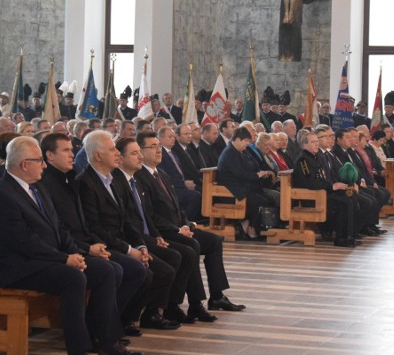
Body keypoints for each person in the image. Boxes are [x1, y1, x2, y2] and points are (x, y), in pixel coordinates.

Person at [0, 136, 141, 355]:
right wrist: (64, 259)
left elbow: (59, 230)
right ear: (24, 164)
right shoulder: (3, 195)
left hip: (47, 260)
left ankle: (107, 342)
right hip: (22, 267)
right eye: (39, 161)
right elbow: (24, 243)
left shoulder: (36, 188)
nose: (44, 166)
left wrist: (76, 252)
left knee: (104, 269)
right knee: (73, 277)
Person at [38, 132, 150, 343]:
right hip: (68, 250)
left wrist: (138, 245)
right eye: (66, 150)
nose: (73, 154)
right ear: (49, 156)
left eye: (72, 150)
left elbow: (87, 224)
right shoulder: (53, 184)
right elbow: (59, 229)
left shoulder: (67, 179)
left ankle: (103, 328)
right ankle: (101, 331)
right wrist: (87, 248)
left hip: (85, 243)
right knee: (115, 269)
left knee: (135, 269)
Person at [76, 131, 180, 332]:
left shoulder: (112, 180)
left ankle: (121, 321)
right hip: (105, 244)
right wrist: (128, 249)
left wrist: (139, 245)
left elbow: (128, 218)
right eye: (112, 149)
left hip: (123, 242)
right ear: (98, 155)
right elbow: (94, 227)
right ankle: (108, 326)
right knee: (140, 271)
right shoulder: (85, 183)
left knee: (162, 271)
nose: (117, 153)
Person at [135, 131, 244, 317]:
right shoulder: (139, 177)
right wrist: (178, 229)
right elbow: (150, 215)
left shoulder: (161, 173)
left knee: (214, 241)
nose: (158, 150)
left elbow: (176, 207)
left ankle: (217, 296)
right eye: (152, 147)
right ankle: (193, 303)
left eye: (159, 146)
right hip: (163, 232)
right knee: (191, 246)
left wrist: (188, 224)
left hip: (179, 227)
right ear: (141, 151)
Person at [292, 131, 360, 247]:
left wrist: (336, 185)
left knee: (350, 196)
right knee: (345, 202)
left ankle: (349, 235)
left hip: (323, 193)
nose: (316, 144)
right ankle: (340, 238)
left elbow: (324, 177)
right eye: (313, 142)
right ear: (304, 145)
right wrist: (332, 186)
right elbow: (310, 183)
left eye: (317, 141)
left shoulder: (317, 156)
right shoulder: (303, 160)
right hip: (312, 198)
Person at [216, 126, 279, 239]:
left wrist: (260, 173)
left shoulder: (241, 151)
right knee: (261, 201)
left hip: (243, 188)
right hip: (232, 192)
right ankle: (249, 227)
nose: (247, 144)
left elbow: (253, 165)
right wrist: (256, 175)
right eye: (245, 141)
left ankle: (252, 226)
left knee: (267, 199)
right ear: (238, 139)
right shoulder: (229, 153)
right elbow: (240, 174)